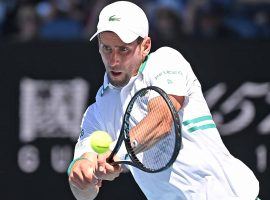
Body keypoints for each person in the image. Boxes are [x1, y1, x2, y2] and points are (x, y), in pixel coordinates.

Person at [68, 1, 260, 199]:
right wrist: (83, 176)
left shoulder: (165, 61)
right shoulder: (96, 113)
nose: (114, 60)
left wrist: (117, 154)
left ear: (145, 46)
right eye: (107, 48)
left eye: (123, 49)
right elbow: (85, 195)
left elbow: (162, 119)